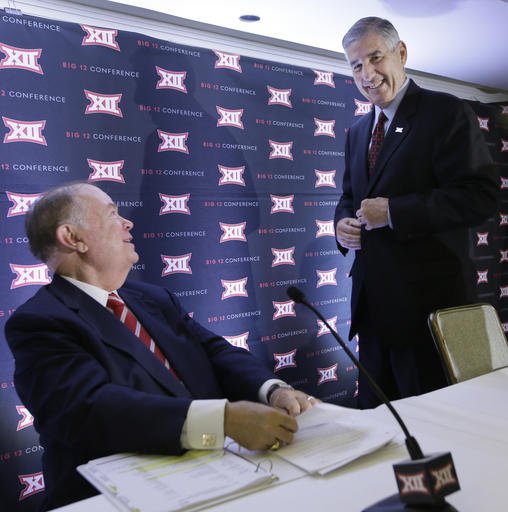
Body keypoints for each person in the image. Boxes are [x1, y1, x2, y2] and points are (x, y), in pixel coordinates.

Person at [5, 182, 315, 511]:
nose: (128, 223)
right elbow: (88, 409)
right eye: (112, 213)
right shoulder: (40, 322)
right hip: (118, 498)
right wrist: (222, 420)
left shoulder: (152, 298)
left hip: (215, 476)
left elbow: (213, 351)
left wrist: (272, 389)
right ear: (72, 238)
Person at [334, 17, 499, 408]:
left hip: (427, 316)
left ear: (401, 53)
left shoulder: (445, 112)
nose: (367, 74)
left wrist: (394, 212)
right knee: (379, 427)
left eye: (376, 58)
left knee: (434, 432)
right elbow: (348, 197)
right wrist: (340, 225)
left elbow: (480, 196)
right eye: (356, 66)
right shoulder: (357, 131)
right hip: (372, 314)